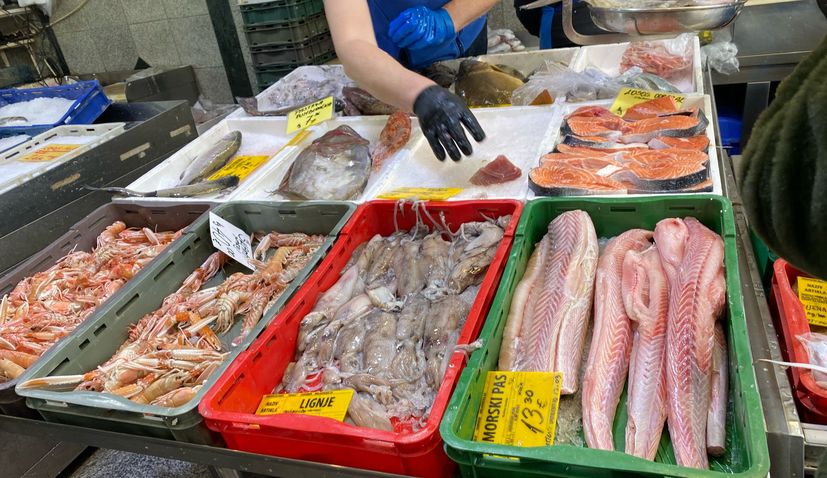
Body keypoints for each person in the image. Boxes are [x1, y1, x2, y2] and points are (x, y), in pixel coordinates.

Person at [324, 0, 499, 161]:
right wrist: (420, 93)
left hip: (465, 33)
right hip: (385, 62)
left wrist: (448, 19)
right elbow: (352, 41)